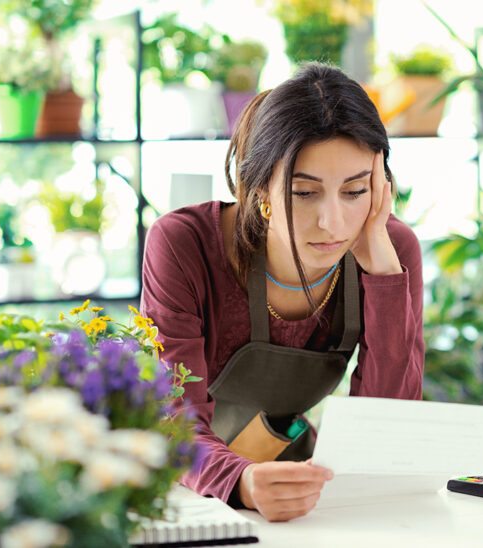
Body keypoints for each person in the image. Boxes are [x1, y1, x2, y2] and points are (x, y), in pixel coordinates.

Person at [140, 63, 424, 522]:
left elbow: (386, 431)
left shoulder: (389, 251)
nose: (332, 222)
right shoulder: (183, 245)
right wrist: (241, 481)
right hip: (187, 489)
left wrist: (387, 278)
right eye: (303, 192)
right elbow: (173, 416)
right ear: (261, 191)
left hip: (293, 489)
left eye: (354, 191)